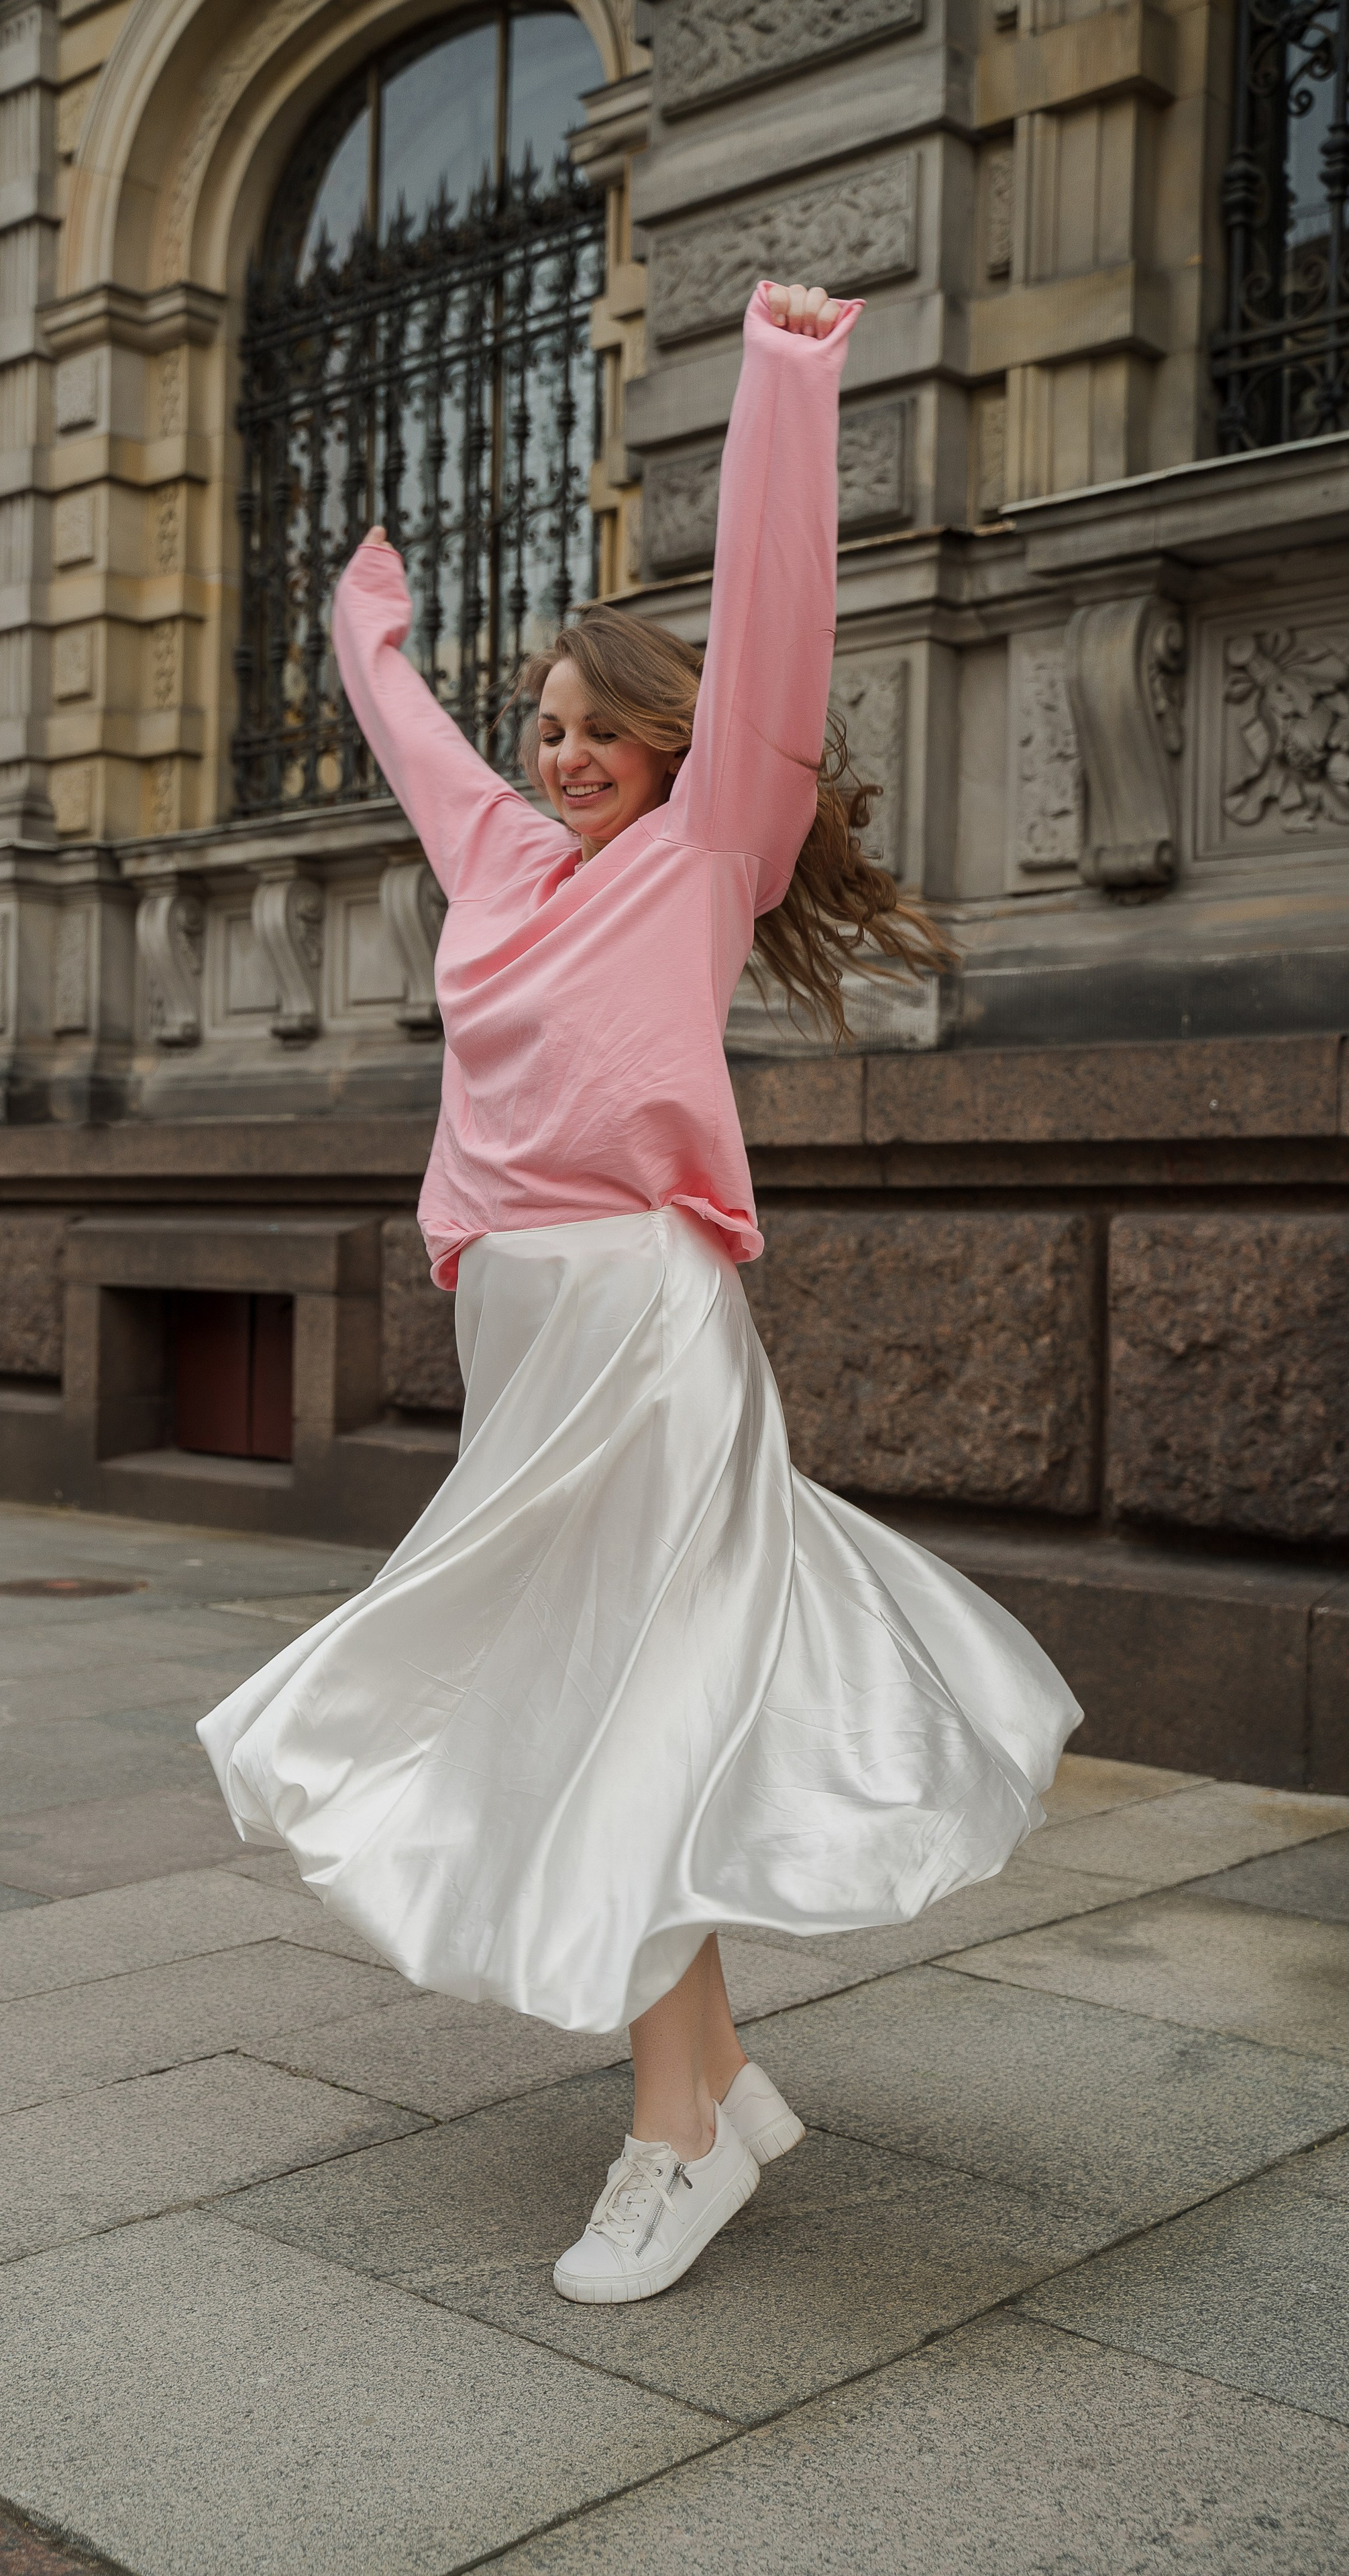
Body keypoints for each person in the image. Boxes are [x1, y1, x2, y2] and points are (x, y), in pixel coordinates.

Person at [200, 280, 1080, 2306]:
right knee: (599, 1694)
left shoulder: (705, 854)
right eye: (551, 731)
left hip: (643, 1321)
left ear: (671, 750)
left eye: (603, 729)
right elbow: (418, 739)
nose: (566, 753)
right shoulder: (501, 865)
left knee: (624, 1706)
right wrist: (364, 637)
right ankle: (726, 2085)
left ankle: (675, 2140)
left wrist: (784, 386)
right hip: (518, 1326)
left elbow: (779, 655)